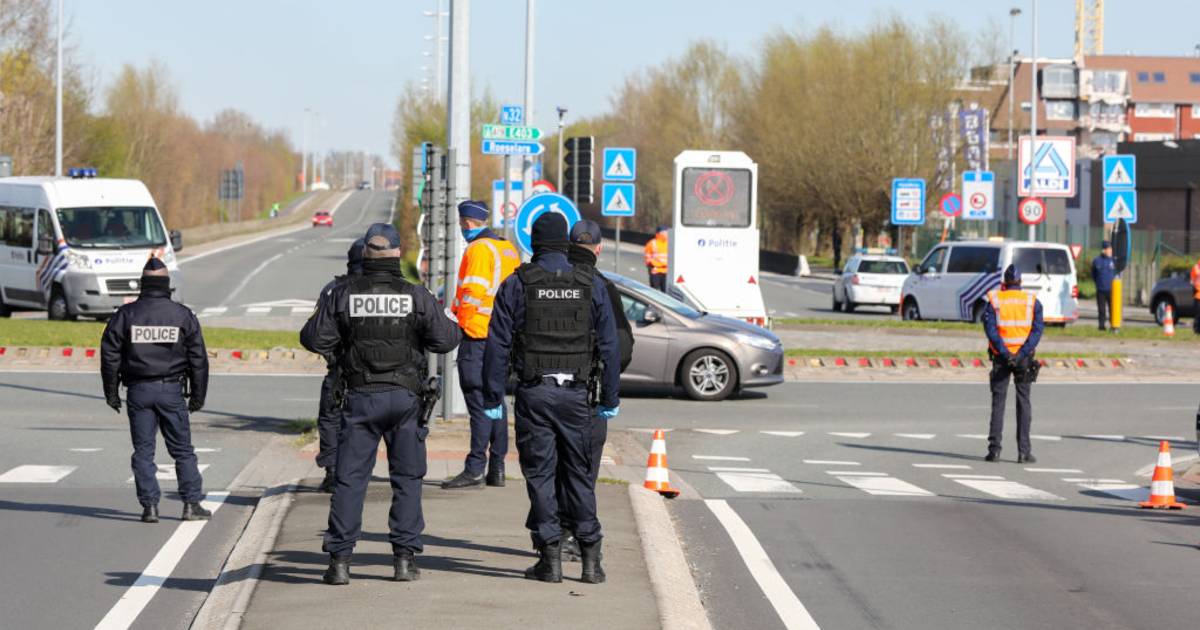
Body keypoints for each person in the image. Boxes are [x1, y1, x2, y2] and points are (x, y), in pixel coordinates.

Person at [302, 231, 461, 586]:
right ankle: (404, 561)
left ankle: (340, 562)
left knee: (350, 480)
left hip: (359, 398)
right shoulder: (416, 296)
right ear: (397, 254)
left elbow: (313, 339)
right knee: (406, 479)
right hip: (405, 400)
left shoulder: (343, 294)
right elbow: (447, 339)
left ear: (366, 257)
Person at [482, 212, 621, 585]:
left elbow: (496, 345)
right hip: (577, 396)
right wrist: (609, 397)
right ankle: (591, 559)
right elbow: (609, 345)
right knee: (578, 474)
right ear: (566, 242)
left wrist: (492, 396)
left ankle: (550, 559)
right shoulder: (590, 282)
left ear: (534, 243)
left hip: (534, 393)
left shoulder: (517, 283)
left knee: (541, 476)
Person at [101, 258, 210, 523]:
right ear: (166, 284)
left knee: (143, 451)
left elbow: (109, 355)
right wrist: (198, 395)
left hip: (138, 391)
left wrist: (111, 392)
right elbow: (198, 359)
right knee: (182, 450)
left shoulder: (125, 315)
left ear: (142, 284)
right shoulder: (182, 315)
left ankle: (149, 506)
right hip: (171, 390)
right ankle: (191, 504)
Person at [559, 220, 634, 561]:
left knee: (550, 467)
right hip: (587, 394)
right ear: (600, 248)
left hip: (542, 391)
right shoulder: (602, 287)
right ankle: (580, 537)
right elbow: (621, 346)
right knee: (583, 470)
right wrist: (608, 390)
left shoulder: (543, 281)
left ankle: (553, 536)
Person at [443, 200, 521, 490]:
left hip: (477, 337)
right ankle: (497, 468)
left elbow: (472, 294)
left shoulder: (477, 250)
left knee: (477, 403)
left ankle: (475, 467)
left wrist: (457, 326)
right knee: (495, 402)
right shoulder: (507, 248)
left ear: (466, 222)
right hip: (502, 339)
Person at [314, 238, 366, 493]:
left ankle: (333, 471)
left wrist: (333, 358)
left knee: (331, 418)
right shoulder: (388, 288)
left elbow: (315, 335)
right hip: (381, 372)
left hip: (340, 369)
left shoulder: (333, 290)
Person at [982, 264, 1044, 464]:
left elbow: (990, 330)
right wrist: (1021, 354)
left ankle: (994, 451)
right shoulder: (1032, 302)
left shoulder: (994, 300)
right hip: (1023, 359)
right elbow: (1037, 332)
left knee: (998, 403)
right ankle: (1024, 452)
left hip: (1001, 357)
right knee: (1023, 402)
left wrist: (1004, 351)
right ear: (1020, 282)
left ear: (1004, 283)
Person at [1091, 240, 1116, 332]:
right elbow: (1093, 274)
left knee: (1112, 309)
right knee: (1101, 310)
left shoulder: (1113, 260)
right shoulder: (1097, 261)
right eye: (1109, 249)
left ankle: (1113, 325)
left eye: (1111, 249)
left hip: (1111, 289)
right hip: (1101, 289)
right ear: (1104, 250)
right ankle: (1101, 326)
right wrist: (1097, 283)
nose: (1110, 251)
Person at [643, 225, 669, 292]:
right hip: (655, 271)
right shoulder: (652, 243)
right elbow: (647, 257)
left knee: (666, 293)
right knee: (654, 292)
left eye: (667, 232)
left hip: (667, 272)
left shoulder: (670, 243)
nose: (666, 234)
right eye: (664, 232)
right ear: (659, 233)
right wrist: (653, 264)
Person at [1191, 255, 1200, 334]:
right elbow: (1193, 281)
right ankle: (1197, 329)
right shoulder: (1196, 268)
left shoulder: (1196, 267)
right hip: (1198, 293)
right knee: (1198, 313)